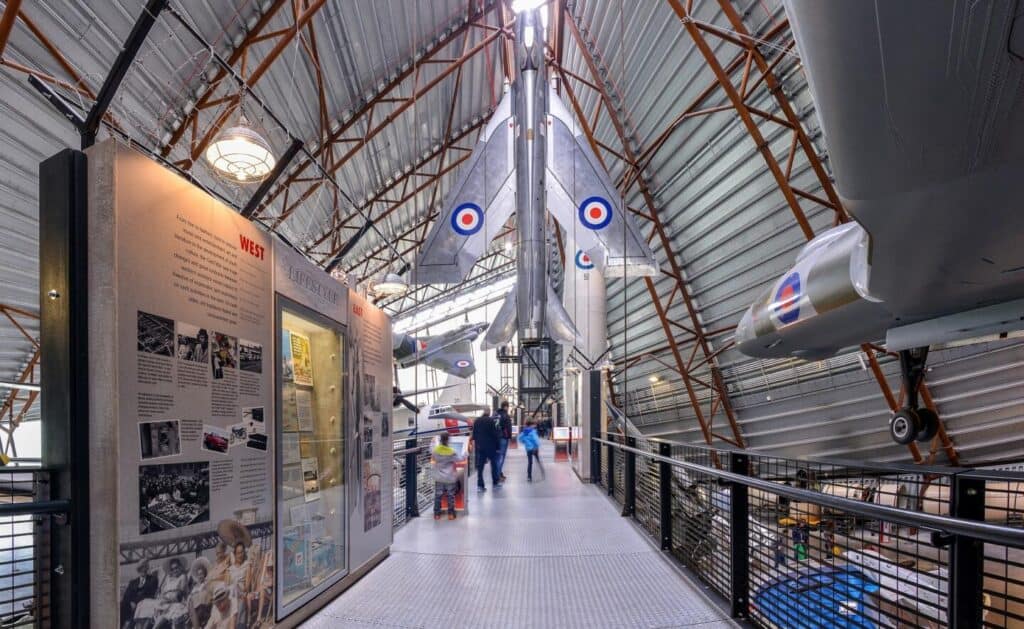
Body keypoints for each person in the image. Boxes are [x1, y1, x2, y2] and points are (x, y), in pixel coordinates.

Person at [431, 432, 465, 520]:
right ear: (448, 440)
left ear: (440, 440)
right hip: (449, 477)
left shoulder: (436, 450)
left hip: (438, 476)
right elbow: (460, 459)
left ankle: (437, 514)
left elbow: (431, 452)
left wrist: (432, 442)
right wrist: (466, 453)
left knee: (438, 495)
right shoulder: (451, 451)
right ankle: (451, 514)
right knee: (450, 495)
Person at [120, 559, 158, 628]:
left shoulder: (152, 579)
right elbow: (126, 595)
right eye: (141, 568)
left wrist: (136, 602)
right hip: (131, 605)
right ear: (138, 570)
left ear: (147, 568)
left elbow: (149, 593)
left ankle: (130, 627)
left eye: (145, 567)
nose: (143, 570)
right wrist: (131, 602)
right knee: (122, 605)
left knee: (137, 610)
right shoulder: (133, 582)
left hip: (143, 604)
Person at [470, 410, 501, 491]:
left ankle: (480, 486)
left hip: (480, 447)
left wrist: (477, 444)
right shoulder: (491, 421)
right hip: (491, 447)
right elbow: (495, 435)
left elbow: (474, 435)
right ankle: (495, 483)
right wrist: (498, 447)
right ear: (489, 413)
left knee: (480, 467)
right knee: (493, 465)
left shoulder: (477, 421)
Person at [494, 401, 512, 481]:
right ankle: (497, 475)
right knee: (501, 456)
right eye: (508, 407)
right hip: (503, 438)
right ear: (506, 407)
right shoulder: (505, 415)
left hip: (495, 438)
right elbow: (508, 428)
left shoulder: (495, 414)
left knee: (497, 456)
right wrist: (509, 436)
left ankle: (499, 473)